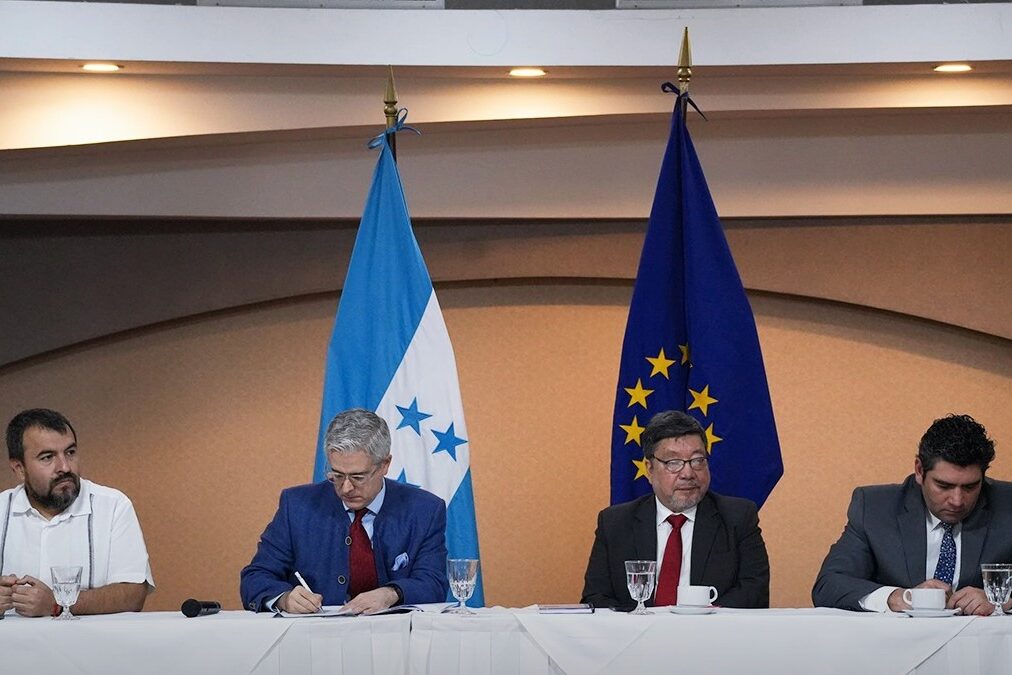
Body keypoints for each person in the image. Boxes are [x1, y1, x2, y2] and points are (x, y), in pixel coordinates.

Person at [240, 408, 449, 614]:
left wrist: (392, 593)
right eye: (337, 475)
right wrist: (284, 599)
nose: (346, 488)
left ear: (385, 465)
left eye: (358, 477)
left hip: (395, 633)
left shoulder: (424, 510)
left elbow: (433, 583)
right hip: (314, 633)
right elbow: (256, 577)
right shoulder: (296, 506)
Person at [812, 414, 1012, 615]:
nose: (957, 500)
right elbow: (828, 585)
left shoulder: (1007, 504)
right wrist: (897, 597)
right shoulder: (874, 508)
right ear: (919, 470)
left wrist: (1002, 602)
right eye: (943, 486)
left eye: (970, 487)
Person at [582, 410, 770, 609]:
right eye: (674, 463)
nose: (688, 473)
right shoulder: (615, 523)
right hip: (639, 629)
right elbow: (596, 597)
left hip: (711, 628)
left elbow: (754, 592)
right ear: (649, 469)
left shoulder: (738, 517)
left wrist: (699, 620)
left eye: (697, 460)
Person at [1, 408, 153, 617]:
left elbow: (133, 594)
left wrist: (58, 603)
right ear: (19, 469)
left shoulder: (113, 505)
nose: (64, 467)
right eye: (47, 457)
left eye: (70, 452)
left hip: (90, 639)